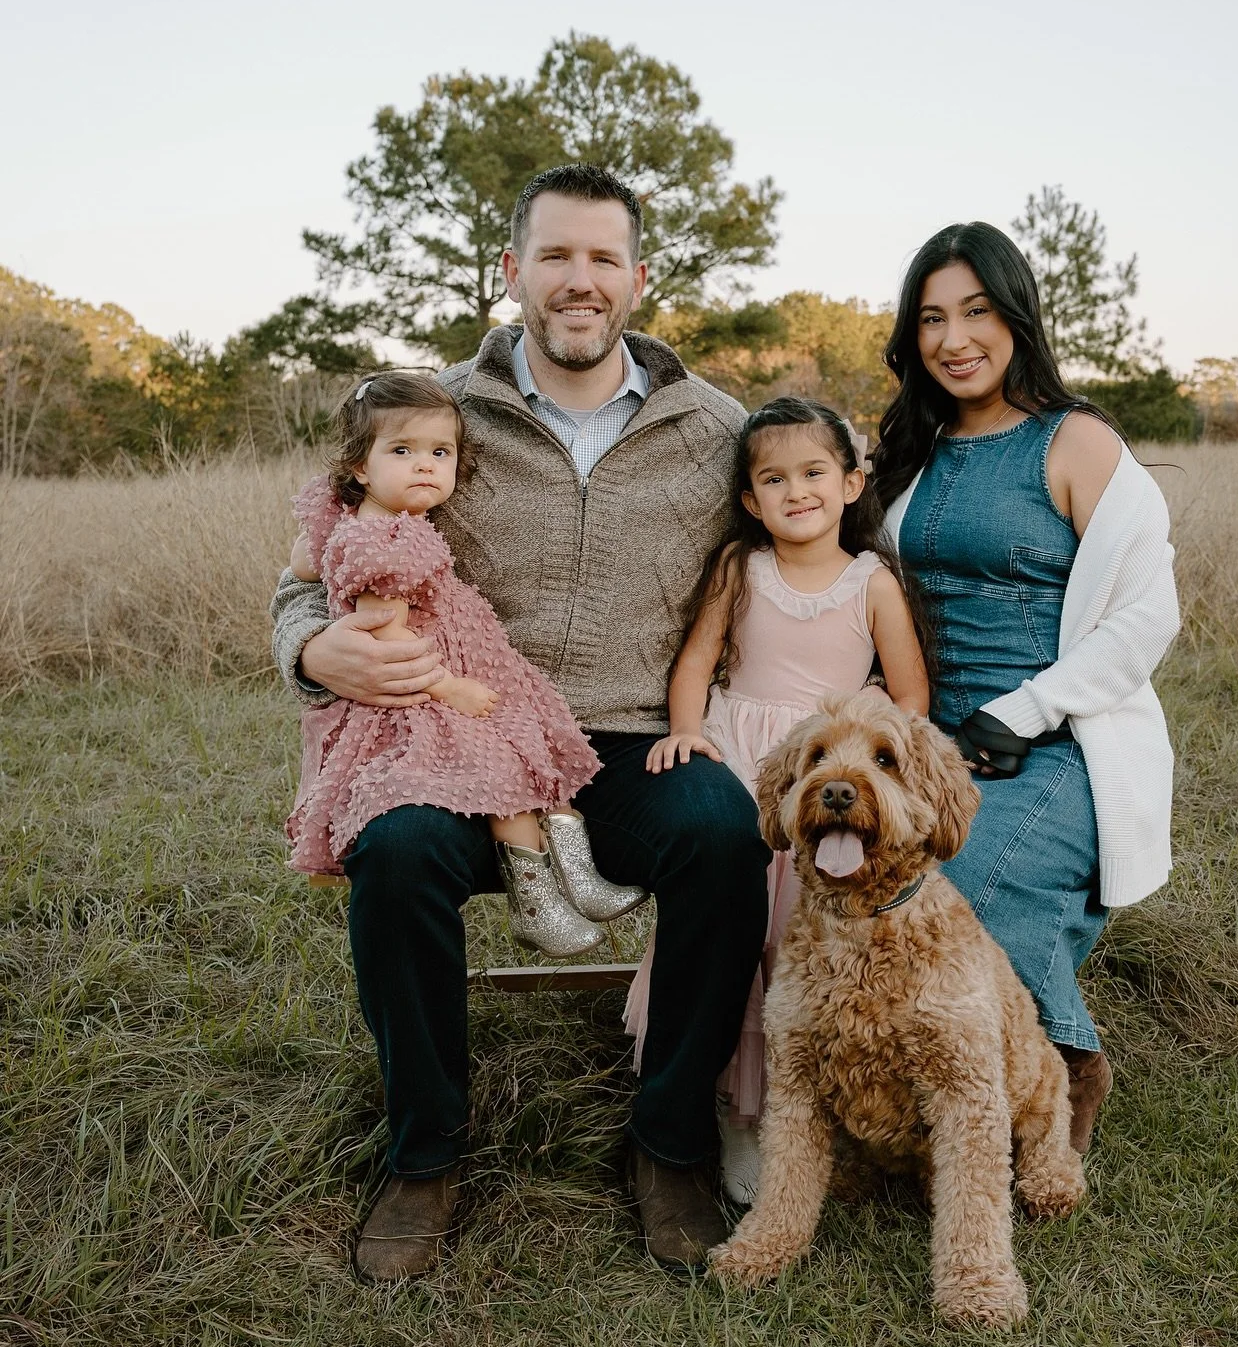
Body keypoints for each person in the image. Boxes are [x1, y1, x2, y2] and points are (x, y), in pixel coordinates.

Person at [270, 163, 770, 1280]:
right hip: (462, 740)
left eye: (603, 259)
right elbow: (307, 571)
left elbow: (802, 533)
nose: (579, 281)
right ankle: (425, 1151)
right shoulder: (435, 415)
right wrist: (310, 646)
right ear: (512, 273)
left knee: (725, 838)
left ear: (639, 278)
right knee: (394, 850)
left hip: (634, 735)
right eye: (555, 256)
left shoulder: (714, 429)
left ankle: (671, 1142)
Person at [873, 222, 1180, 1153]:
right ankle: (911, 1098)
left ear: (1017, 317)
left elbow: (1146, 617)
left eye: (976, 311)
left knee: (962, 884)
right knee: (874, 889)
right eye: (932, 318)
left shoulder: (1076, 441)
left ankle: (1067, 1063)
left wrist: (1026, 709)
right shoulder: (909, 450)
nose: (954, 338)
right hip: (930, 737)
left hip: (1058, 740)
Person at [634, 396, 928, 1204]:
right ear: (749, 499)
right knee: (738, 939)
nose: (795, 491)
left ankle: (821, 1109)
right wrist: (689, 735)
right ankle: (738, 1114)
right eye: (774, 478)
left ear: (850, 481)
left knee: (799, 945)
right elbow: (696, 664)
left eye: (813, 472)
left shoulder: (873, 584)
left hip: (826, 782)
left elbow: (908, 698)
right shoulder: (740, 569)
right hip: (743, 766)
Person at [284, 369, 641, 957]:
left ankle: (574, 881)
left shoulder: (378, 523)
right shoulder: (383, 545)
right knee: (505, 774)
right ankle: (540, 904)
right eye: (402, 450)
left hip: (449, 675)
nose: (425, 465)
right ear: (359, 467)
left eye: (440, 452)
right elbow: (390, 647)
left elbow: (308, 560)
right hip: (419, 702)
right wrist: (455, 689)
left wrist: (314, 556)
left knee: (528, 744)